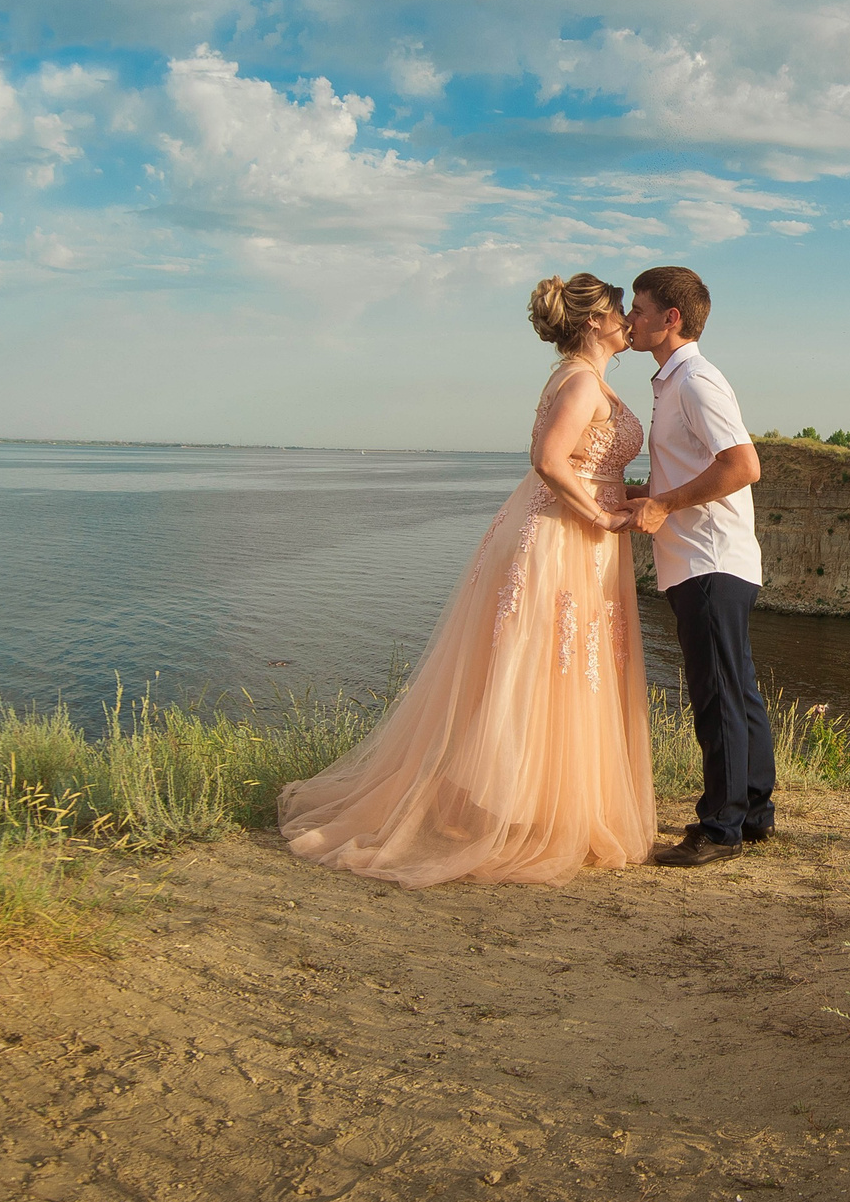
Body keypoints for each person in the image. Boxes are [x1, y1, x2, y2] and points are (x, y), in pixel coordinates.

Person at [275, 275, 656, 886]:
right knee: (538, 667)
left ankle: (536, 804)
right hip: (560, 537)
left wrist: (623, 494)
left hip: (569, 534)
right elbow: (550, 462)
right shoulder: (582, 380)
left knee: (554, 667)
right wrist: (603, 514)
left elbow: (586, 463)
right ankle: (515, 814)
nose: (628, 321)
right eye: (619, 311)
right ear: (593, 321)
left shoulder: (582, 378)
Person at [621, 266, 772, 868]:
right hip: (711, 559)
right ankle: (753, 811)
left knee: (717, 695)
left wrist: (663, 504)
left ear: (670, 318)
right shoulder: (676, 382)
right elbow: (696, 464)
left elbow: (742, 465)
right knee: (738, 689)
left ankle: (720, 827)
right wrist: (647, 494)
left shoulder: (696, 382)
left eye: (637, 308)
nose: (630, 319)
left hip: (707, 561)